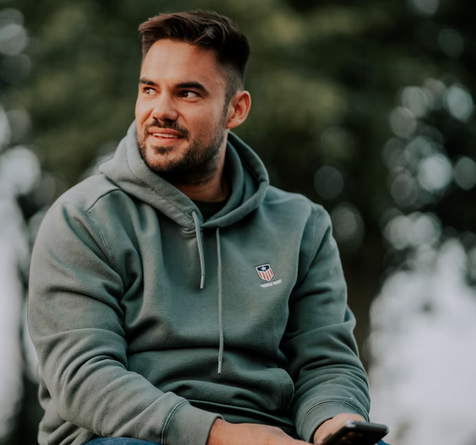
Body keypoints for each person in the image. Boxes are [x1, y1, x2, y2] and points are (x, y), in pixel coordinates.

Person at [28, 10, 373, 445]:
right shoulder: (83, 220)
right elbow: (84, 377)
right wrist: (225, 437)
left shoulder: (303, 225)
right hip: (127, 438)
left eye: (187, 93)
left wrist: (332, 424)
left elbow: (326, 363)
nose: (160, 111)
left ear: (235, 110)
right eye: (149, 89)